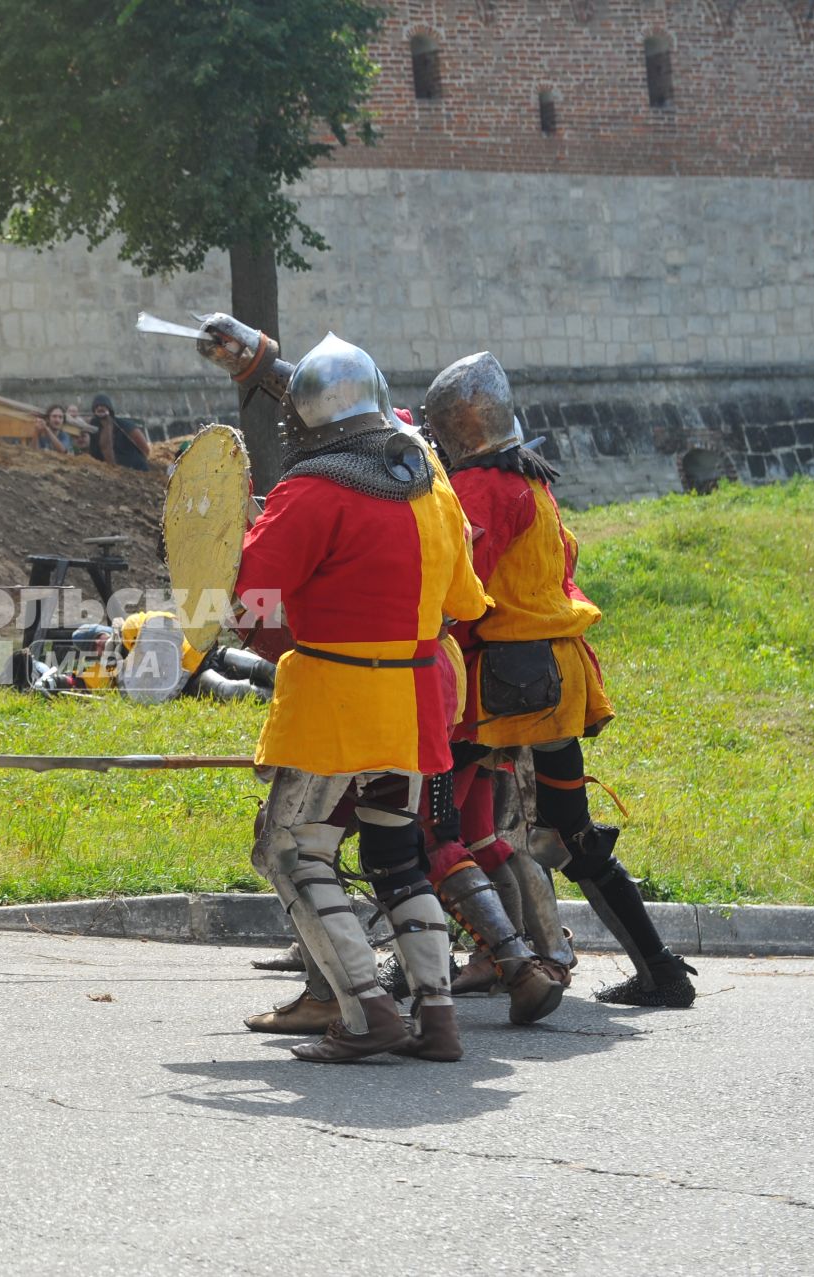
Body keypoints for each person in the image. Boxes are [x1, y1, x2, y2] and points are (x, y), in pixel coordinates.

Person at [215, 329, 491, 1063]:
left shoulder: (310, 490)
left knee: (290, 849)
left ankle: (368, 1006)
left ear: (304, 416)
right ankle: (436, 1014)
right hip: (415, 702)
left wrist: (236, 541)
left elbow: (250, 600)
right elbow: (466, 599)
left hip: (335, 700)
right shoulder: (433, 483)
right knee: (398, 857)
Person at [422, 351, 696, 1008]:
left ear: (456, 428)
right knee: (572, 830)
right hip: (555, 678)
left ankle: (490, 960)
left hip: (508, 686)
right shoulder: (534, 480)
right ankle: (659, 969)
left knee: (433, 819)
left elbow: (463, 591)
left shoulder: (486, 487)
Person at [86, 393, 151, 470]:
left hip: (135, 468)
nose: (99, 408)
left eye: (103, 406)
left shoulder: (123, 425)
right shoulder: (94, 428)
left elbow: (145, 448)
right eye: (97, 407)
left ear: (109, 409)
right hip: (111, 470)